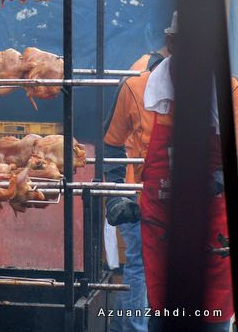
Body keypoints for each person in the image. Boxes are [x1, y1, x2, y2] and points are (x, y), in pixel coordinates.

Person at [141, 12, 234, 331]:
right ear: (171, 44)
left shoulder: (231, 95)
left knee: (211, 321)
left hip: (213, 233)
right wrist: (118, 192)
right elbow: (117, 146)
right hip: (161, 229)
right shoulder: (143, 91)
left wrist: (220, 178)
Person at [103, 41, 168, 332]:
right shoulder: (138, 80)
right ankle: (134, 327)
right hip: (139, 189)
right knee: (142, 260)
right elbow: (113, 142)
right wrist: (118, 191)